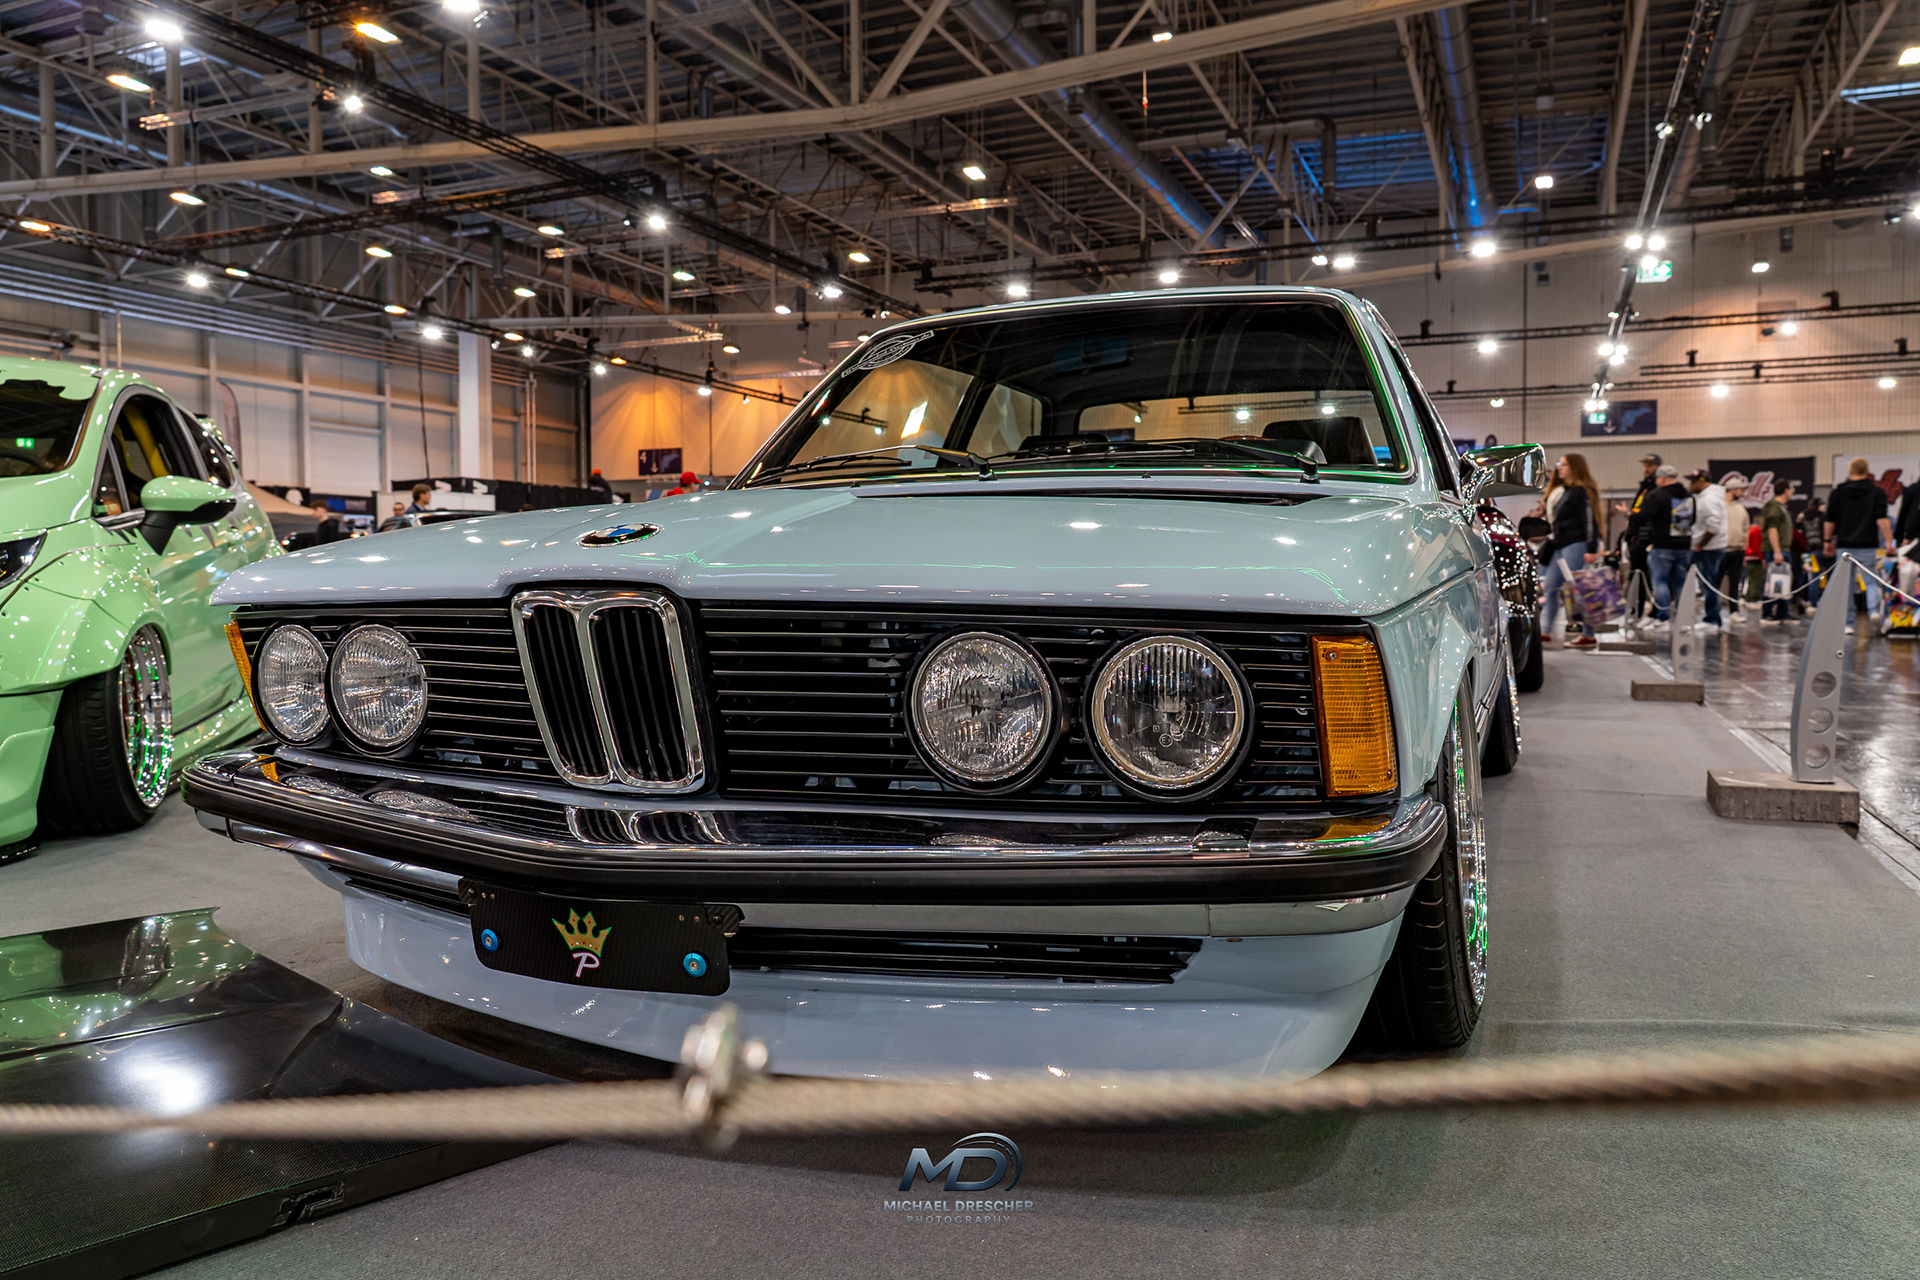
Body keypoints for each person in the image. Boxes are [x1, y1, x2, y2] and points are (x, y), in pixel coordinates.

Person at [1824, 456, 1894, 635]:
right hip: (1868, 543)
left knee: (1846, 585)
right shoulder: (1876, 492)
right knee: (1871, 581)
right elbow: (1882, 519)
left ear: (1850, 471)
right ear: (1867, 472)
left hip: (1845, 544)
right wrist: (1888, 542)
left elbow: (1830, 520)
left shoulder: (1838, 492)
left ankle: (1848, 623)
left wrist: (1827, 541)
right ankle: (1874, 612)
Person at [1540, 453, 1603, 649]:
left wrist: (1591, 548)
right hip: (1560, 545)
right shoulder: (1567, 491)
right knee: (1550, 587)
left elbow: (1590, 520)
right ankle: (1546, 631)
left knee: (1577, 589)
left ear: (1574, 467)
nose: (1559, 467)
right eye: (1559, 463)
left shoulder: (1580, 492)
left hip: (1576, 544)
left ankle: (1589, 634)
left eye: (1564, 464)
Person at [1625, 465, 1695, 624]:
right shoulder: (1688, 496)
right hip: (1684, 545)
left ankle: (1663, 618)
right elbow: (1693, 519)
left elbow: (1643, 517)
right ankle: (1684, 620)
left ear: (1662, 478)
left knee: (1660, 582)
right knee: (1680, 583)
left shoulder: (1657, 495)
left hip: (1663, 546)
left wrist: (1629, 515)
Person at [1684, 469, 1730, 630]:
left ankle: (1712, 619)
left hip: (1709, 549)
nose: (1690, 485)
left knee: (1708, 584)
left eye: (1693, 481)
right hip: (1711, 547)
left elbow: (1713, 526)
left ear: (1702, 482)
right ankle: (1712, 617)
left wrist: (1700, 545)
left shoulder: (1708, 499)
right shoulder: (1707, 497)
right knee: (1709, 583)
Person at [1755, 486, 1794, 624]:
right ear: (1786, 490)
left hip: (1783, 549)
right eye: (1791, 489)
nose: (1792, 492)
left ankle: (1782, 613)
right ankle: (1767, 613)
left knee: (1784, 582)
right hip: (1776, 550)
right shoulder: (1774, 507)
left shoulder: (1781, 507)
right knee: (1773, 581)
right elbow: (1772, 530)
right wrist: (1777, 551)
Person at [1718, 474, 1751, 621]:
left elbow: (1746, 531)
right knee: (1715, 583)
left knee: (1735, 584)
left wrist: (1744, 550)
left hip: (1737, 552)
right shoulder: (1719, 507)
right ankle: (1712, 613)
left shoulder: (1741, 509)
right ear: (1733, 489)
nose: (1742, 493)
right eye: (1740, 490)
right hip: (1721, 550)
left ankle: (1734, 612)